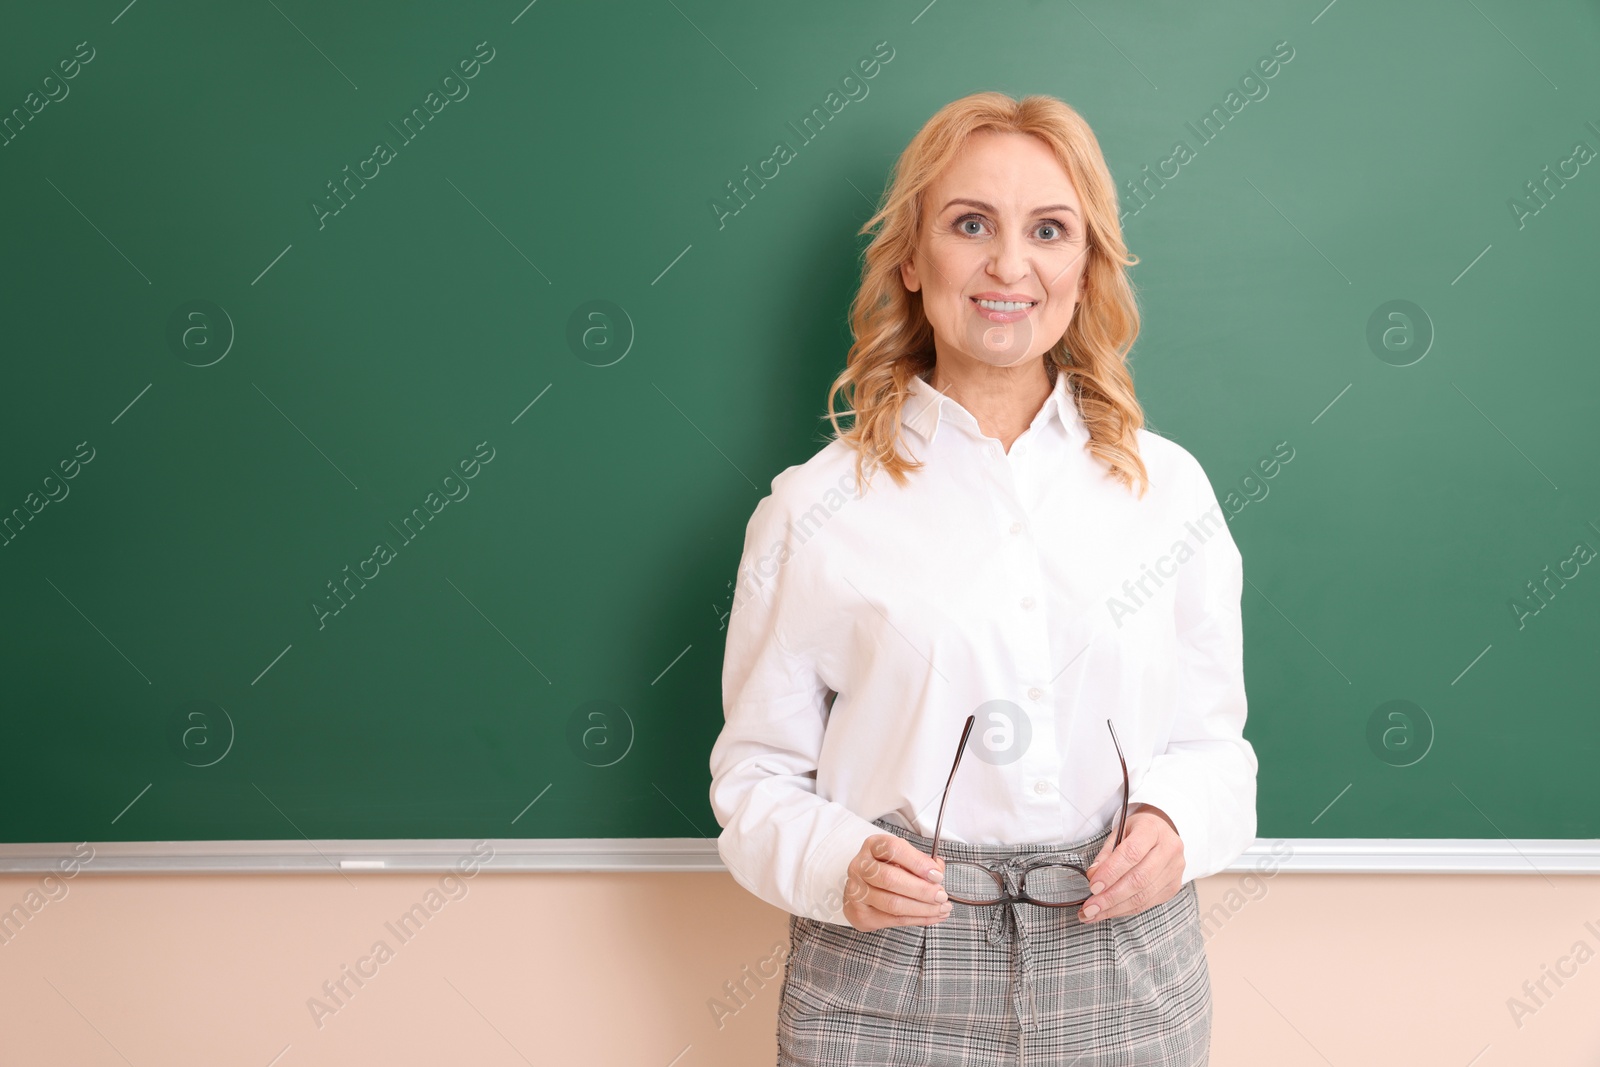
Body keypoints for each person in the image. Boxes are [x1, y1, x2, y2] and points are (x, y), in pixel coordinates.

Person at [708, 91, 1257, 1066]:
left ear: (1083, 267)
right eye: (971, 225)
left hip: (1123, 964)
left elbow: (1218, 749)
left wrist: (1179, 822)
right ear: (913, 260)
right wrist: (838, 865)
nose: (1010, 264)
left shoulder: (1167, 491)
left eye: (1049, 230)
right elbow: (753, 778)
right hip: (880, 977)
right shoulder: (814, 508)